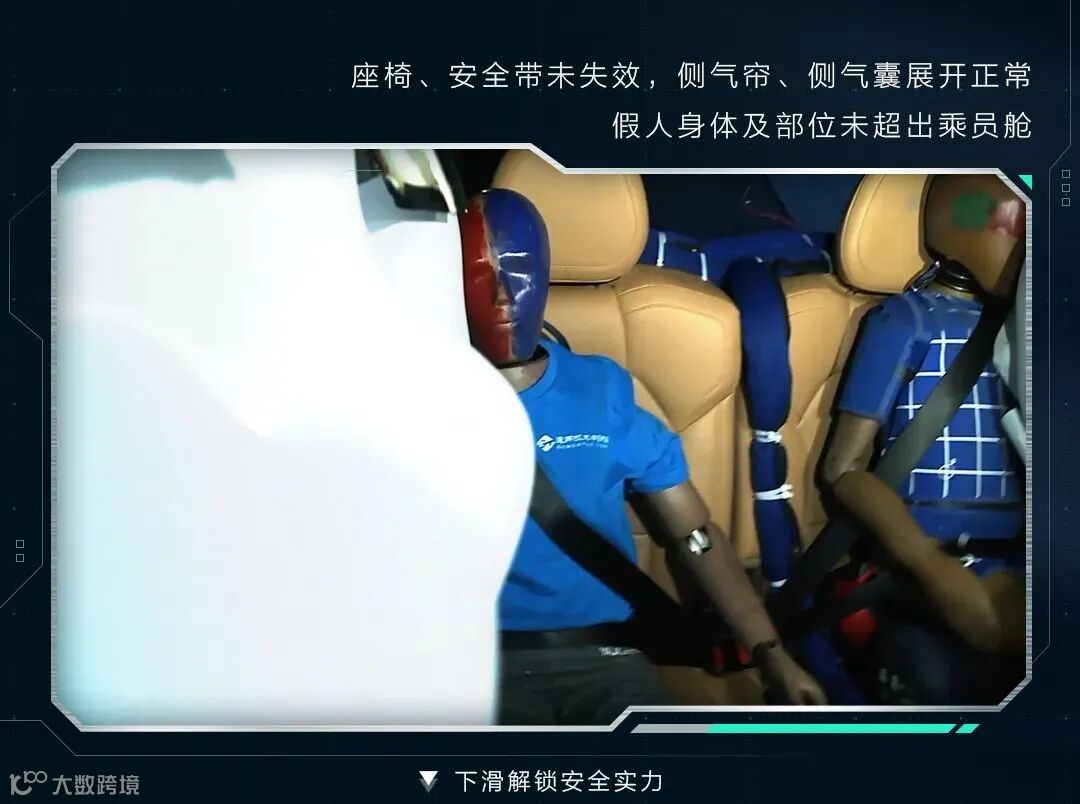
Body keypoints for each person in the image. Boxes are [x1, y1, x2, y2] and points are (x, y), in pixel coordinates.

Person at [460, 187, 828, 725]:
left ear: (543, 274)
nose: (501, 295)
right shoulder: (413, 395)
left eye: (517, 272)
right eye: (478, 276)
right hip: (476, 659)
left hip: (607, 654)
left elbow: (694, 533)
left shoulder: (600, 388)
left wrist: (769, 651)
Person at [822, 175, 1026, 703]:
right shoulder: (908, 319)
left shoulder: (1026, 333)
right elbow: (843, 468)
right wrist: (928, 565)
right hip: (919, 558)